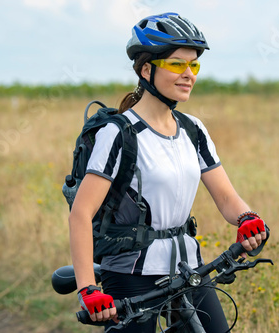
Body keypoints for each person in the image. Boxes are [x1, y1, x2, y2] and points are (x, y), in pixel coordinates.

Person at [68, 12, 268, 332]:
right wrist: (89, 289)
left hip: (188, 268)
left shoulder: (193, 130)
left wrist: (247, 218)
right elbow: (81, 213)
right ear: (147, 69)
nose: (189, 74)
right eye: (177, 64)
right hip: (131, 275)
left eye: (194, 65)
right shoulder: (118, 133)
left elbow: (227, 197)